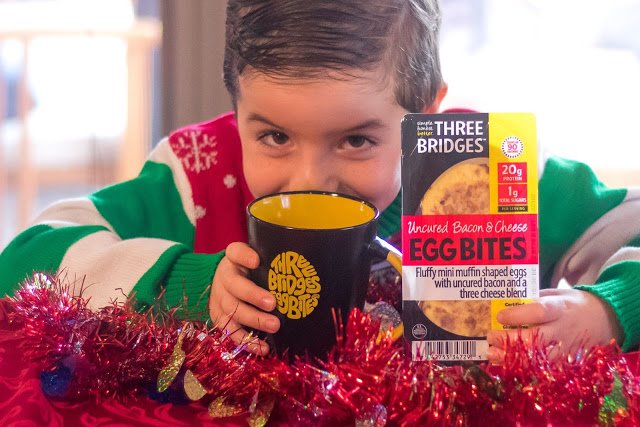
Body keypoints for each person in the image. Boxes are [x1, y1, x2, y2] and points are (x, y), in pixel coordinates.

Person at [0, 0, 638, 363]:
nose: (310, 180)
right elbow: (23, 260)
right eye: (273, 136)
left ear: (428, 113)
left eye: (357, 140)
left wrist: (603, 312)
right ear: (236, 107)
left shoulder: (485, 172)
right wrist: (181, 285)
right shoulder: (198, 174)